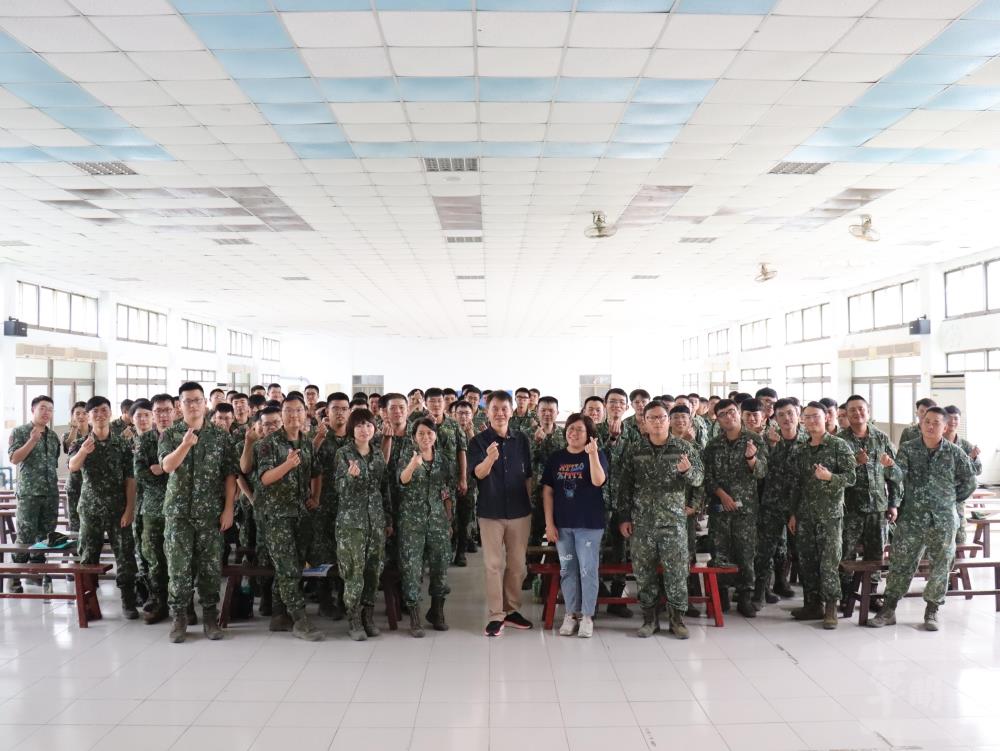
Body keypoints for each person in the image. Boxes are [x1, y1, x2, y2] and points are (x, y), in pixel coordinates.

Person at [870, 407, 977, 631]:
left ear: (945, 427)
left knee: (941, 564)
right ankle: (888, 609)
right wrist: (890, 467)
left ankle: (932, 611)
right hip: (912, 518)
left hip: (944, 520)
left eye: (936, 423)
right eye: (926, 421)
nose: (930, 426)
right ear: (921, 423)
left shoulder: (955, 452)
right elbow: (900, 477)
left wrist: (949, 500)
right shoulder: (909, 449)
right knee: (901, 563)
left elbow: (970, 481)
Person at [159, 382, 238, 643]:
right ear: (180, 406)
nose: (193, 405)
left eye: (197, 400)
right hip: (178, 513)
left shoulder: (220, 435)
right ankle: (179, 617)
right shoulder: (170, 434)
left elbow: (230, 476)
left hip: (210, 514)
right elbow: (168, 466)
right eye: (187, 401)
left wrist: (229, 509)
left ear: (206, 403)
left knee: (210, 568)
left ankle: (209, 617)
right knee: (178, 569)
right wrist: (184, 445)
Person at [619, 403, 703, 639]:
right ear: (643, 421)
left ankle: (677, 620)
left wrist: (688, 472)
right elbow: (624, 487)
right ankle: (649, 619)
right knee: (644, 573)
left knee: (676, 572)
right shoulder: (635, 450)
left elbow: (699, 480)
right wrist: (624, 517)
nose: (657, 422)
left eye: (661, 417)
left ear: (668, 420)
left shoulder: (684, 448)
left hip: (673, 523)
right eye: (652, 418)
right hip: (642, 523)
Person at [256, 395, 324, 641]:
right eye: (289, 411)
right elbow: (263, 479)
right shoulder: (268, 443)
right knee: (287, 568)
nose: (294, 415)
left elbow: (316, 472)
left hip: (302, 514)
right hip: (277, 516)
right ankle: (299, 619)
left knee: (293, 565)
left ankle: (278, 614)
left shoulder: (306, 443)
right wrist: (287, 465)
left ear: (306, 414)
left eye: (298, 411)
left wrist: (315, 496)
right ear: (281, 414)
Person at [468, 390, 534, 637]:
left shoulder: (522, 440)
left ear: (512, 410)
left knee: (517, 565)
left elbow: (528, 476)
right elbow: (478, 474)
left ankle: (512, 609)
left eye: (504, 408)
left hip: (520, 511)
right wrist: (489, 459)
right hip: (491, 511)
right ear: (487, 411)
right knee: (494, 565)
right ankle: (496, 615)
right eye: (494, 408)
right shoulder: (479, 441)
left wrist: (528, 505)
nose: (499, 413)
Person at [787, 402, 857, 629]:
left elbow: (851, 478)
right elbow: (795, 485)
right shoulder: (799, 449)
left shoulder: (839, 446)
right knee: (807, 562)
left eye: (816, 417)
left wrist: (830, 478)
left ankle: (830, 608)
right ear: (802, 421)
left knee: (828, 564)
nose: (812, 421)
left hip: (830, 516)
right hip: (806, 516)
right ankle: (812, 604)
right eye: (807, 417)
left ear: (826, 417)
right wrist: (793, 514)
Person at [68, 396, 138, 618]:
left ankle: (128, 601)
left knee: (125, 556)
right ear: (88, 416)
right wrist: (83, 452)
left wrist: (129, 509)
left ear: (110, 413)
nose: (99, 414)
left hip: (118, 510)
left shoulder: (122, 444)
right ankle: (89, 602)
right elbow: (72, 467)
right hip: (90, 510)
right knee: (88, 557)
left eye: (104, 410)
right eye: (94, 411)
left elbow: (130, 479)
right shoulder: (80, 444)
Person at [542, 414, 608, 638]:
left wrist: (592, 456)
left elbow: (599, 481)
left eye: (579, 429)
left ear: (589, 434)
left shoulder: (597, 455)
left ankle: (587, 616)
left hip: (589, 525)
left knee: (588, 570)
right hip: (563, 527)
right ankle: (571, 614)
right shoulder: (556, 458)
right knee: (567, 570)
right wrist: (549, 523)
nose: (573, 433)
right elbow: (548, 491)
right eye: (570, 428)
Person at [703, 398, 768, 617]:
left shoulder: (755, 440)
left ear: (738, 412)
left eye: (732, 412)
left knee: (746, 553)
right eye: (723, 415)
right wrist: (722, 496)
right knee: (720, 551)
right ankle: (720, 596)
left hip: (746, 511)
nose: (728, 417)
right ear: (718, 419)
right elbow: (707, 477)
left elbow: (762, 472)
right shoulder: (713, 445)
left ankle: (745, 597)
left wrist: (751, 459)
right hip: (720, 509)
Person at [837, 395, 901, 613]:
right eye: (852, 410)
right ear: (846, 413)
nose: (857, 413)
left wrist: (893, 504)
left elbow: (894, 473)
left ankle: (871, 595)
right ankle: (846, 595)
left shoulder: (881, 438)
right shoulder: (840, 441)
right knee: (846, 553)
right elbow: (834, 475)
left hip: (878, 508)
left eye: (861, 409)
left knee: (875, 555)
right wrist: (855, 462)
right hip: (850, 508)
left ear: (868, 411)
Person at [336, 408, 391, 641]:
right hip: (352, 524)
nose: (364, 429)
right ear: (352, 429)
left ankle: (368, 616)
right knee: (353, 571)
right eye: (359, 425)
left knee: (373, 569)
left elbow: (384, 488)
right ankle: (354, 618)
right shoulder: (343, 454)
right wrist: (349, 477)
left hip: (376, 522)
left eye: (368, 425)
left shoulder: (378, 455)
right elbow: (338, 488)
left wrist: (387, 519)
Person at [398, 417, 453, 637]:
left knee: (440, 567)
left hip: (438, 522)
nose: (425, 437)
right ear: (414, 437)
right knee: (412, 569)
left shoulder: (443, 460)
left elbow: (448, 491)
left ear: (436, 436)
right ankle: (414, 616)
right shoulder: (406, 456)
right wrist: (412, 465)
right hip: (412, 522)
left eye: (429, 433)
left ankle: (437, 611)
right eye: (421, 433)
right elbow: (401, 481)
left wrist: (449, 519)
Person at [753, 398, 805, 609]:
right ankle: (759, 592)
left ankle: (798, 591)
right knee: (765, 550)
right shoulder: (766, 440)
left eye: (790, 413)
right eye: (781, 414)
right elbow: (760, 470)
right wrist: (771, 446)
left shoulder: (809, 441)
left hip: (799, 506)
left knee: (800, 550)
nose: (786, 418)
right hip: (772, 504)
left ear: (798, 414)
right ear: (774, 417)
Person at [7, 395, 61, 595]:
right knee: (25, 535)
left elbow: (53, 464)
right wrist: (32, 440)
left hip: (50, 494)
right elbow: (14, 458)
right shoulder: (20, 431)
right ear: (33, 410)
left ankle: (36, 572)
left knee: (46, 535)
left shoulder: (53, 436)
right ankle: (14, 577)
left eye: (50, 409)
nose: (46, 413)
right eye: (42, 408)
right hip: (29, 494)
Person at [134, 394, 174, 624]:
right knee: (155, 557)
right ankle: (159, 601)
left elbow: (188, 471)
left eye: (167, 410)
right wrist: (165, 470)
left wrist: (162, 468)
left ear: (175, 411)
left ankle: (183, 603)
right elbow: (140, 473)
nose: (163, 415)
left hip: (180, 507)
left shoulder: (183, 436)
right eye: (158, 411)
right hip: (152, 508)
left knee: (181, 556)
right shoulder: (145, 440)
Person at [312, 392, 353, 618]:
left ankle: (344, 597)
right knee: (322, 552)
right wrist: (317, 439)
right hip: (323, 504)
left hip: (348, 506)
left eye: (344, 408)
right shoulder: (318, 436)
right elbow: (304, 461)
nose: (340, 412)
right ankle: (325, 599)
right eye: (335, 408)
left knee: (345, 552)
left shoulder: (355, 437)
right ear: (326, 412)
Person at [943, 405, 983, 544]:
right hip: (938, 498)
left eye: (956, 418)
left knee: (959, 537)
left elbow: (977, 470)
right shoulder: (935, 442)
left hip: (957, 499)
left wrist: (971, 457)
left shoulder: (965, 445)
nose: (952, 421)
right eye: (949, 418)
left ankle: (959, 565)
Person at [62, 401, 90, 532]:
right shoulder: (68, 435)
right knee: (75, 523)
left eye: (84, 413)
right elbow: (68, 446)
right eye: (77, 413)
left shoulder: (97, 432)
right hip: (75, 484)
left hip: (93, 485)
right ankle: (75, 552)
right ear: (72, 416)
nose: (81, 416)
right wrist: (73, 429)